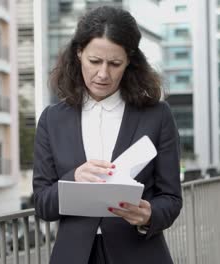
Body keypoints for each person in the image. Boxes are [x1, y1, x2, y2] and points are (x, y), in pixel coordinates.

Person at [32, 6, 182, 264]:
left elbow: (171, 198)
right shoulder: (52, 119)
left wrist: (149, 215)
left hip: (139, 254)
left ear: (129, 62)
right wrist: (75, 178)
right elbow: (42, 203)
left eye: (114, 64)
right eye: (94, 61)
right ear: (79, 53)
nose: (103, 74)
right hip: (74, 256)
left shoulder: (157, 116)